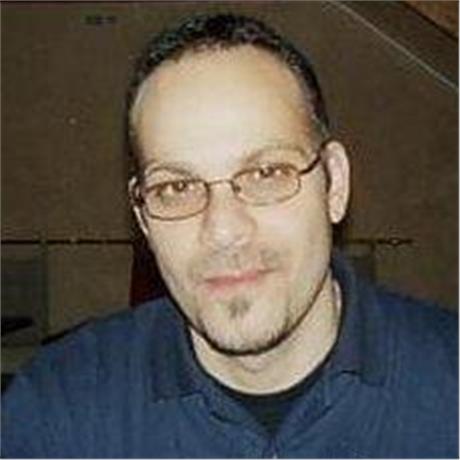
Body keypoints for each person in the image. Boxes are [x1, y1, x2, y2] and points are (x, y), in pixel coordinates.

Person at [2, 13, 457, 458]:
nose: (223, 230)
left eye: (266, 173)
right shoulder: (55, 412)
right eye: (176, 187)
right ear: (143, 218)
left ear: (334, 184)